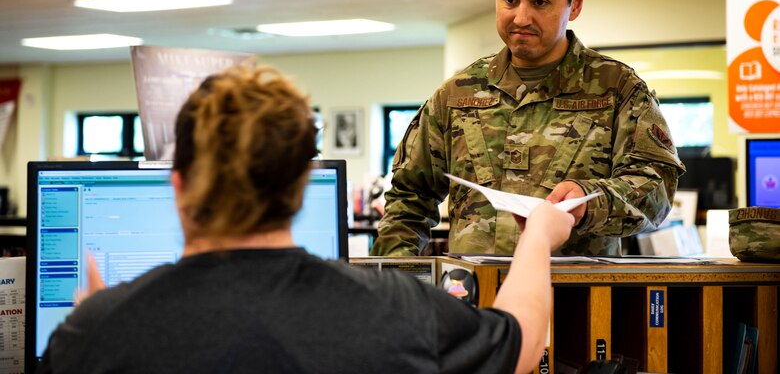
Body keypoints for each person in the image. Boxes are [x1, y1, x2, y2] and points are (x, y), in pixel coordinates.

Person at [38, 63, 576, 374]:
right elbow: (522, 343)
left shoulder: (97, 332)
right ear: (300, 187)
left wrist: (98, 321)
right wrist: (539, 237)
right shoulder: (397, 310)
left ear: (177, 186)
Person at [372, 0, 685, 257]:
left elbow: (657, 190)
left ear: (574, 3)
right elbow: (408, 198)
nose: (521, 17)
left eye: (540, 2)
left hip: (577, 299)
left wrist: (589, 199)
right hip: (475, 297)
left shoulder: (617, 90)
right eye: (509, 0)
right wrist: (397, 281)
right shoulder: (456, 95)